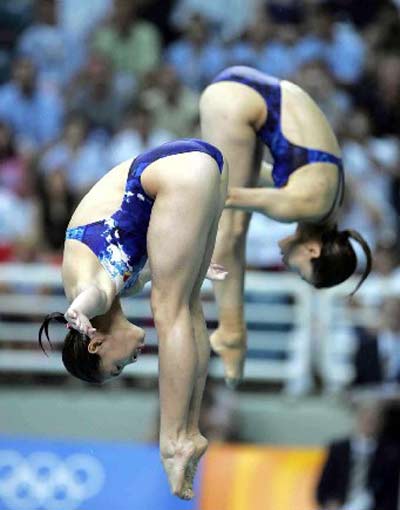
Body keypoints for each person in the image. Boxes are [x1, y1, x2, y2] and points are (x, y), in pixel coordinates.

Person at [38, 139, 228, 499]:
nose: (130, 362)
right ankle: (189, 429)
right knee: (187, 304)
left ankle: (172, 441)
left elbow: (92, 293)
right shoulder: (124, 287)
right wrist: (194, 263)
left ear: (96, 343)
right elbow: (154, 263)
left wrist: (78, 310)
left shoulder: (90, 293)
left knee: (170, 310)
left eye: (116, 367)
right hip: (203, 168)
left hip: (173, 172)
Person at [199, 65, 372, 386]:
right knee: (232, 229)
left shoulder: (327, 203)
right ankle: (232, 332)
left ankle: (232, 331)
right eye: (300, 271)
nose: (289, 266)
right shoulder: (304, 206)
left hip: (247, 88)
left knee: (233, 219)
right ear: (313, 250)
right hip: (236, 100)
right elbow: (226, 195)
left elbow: (257, 175)